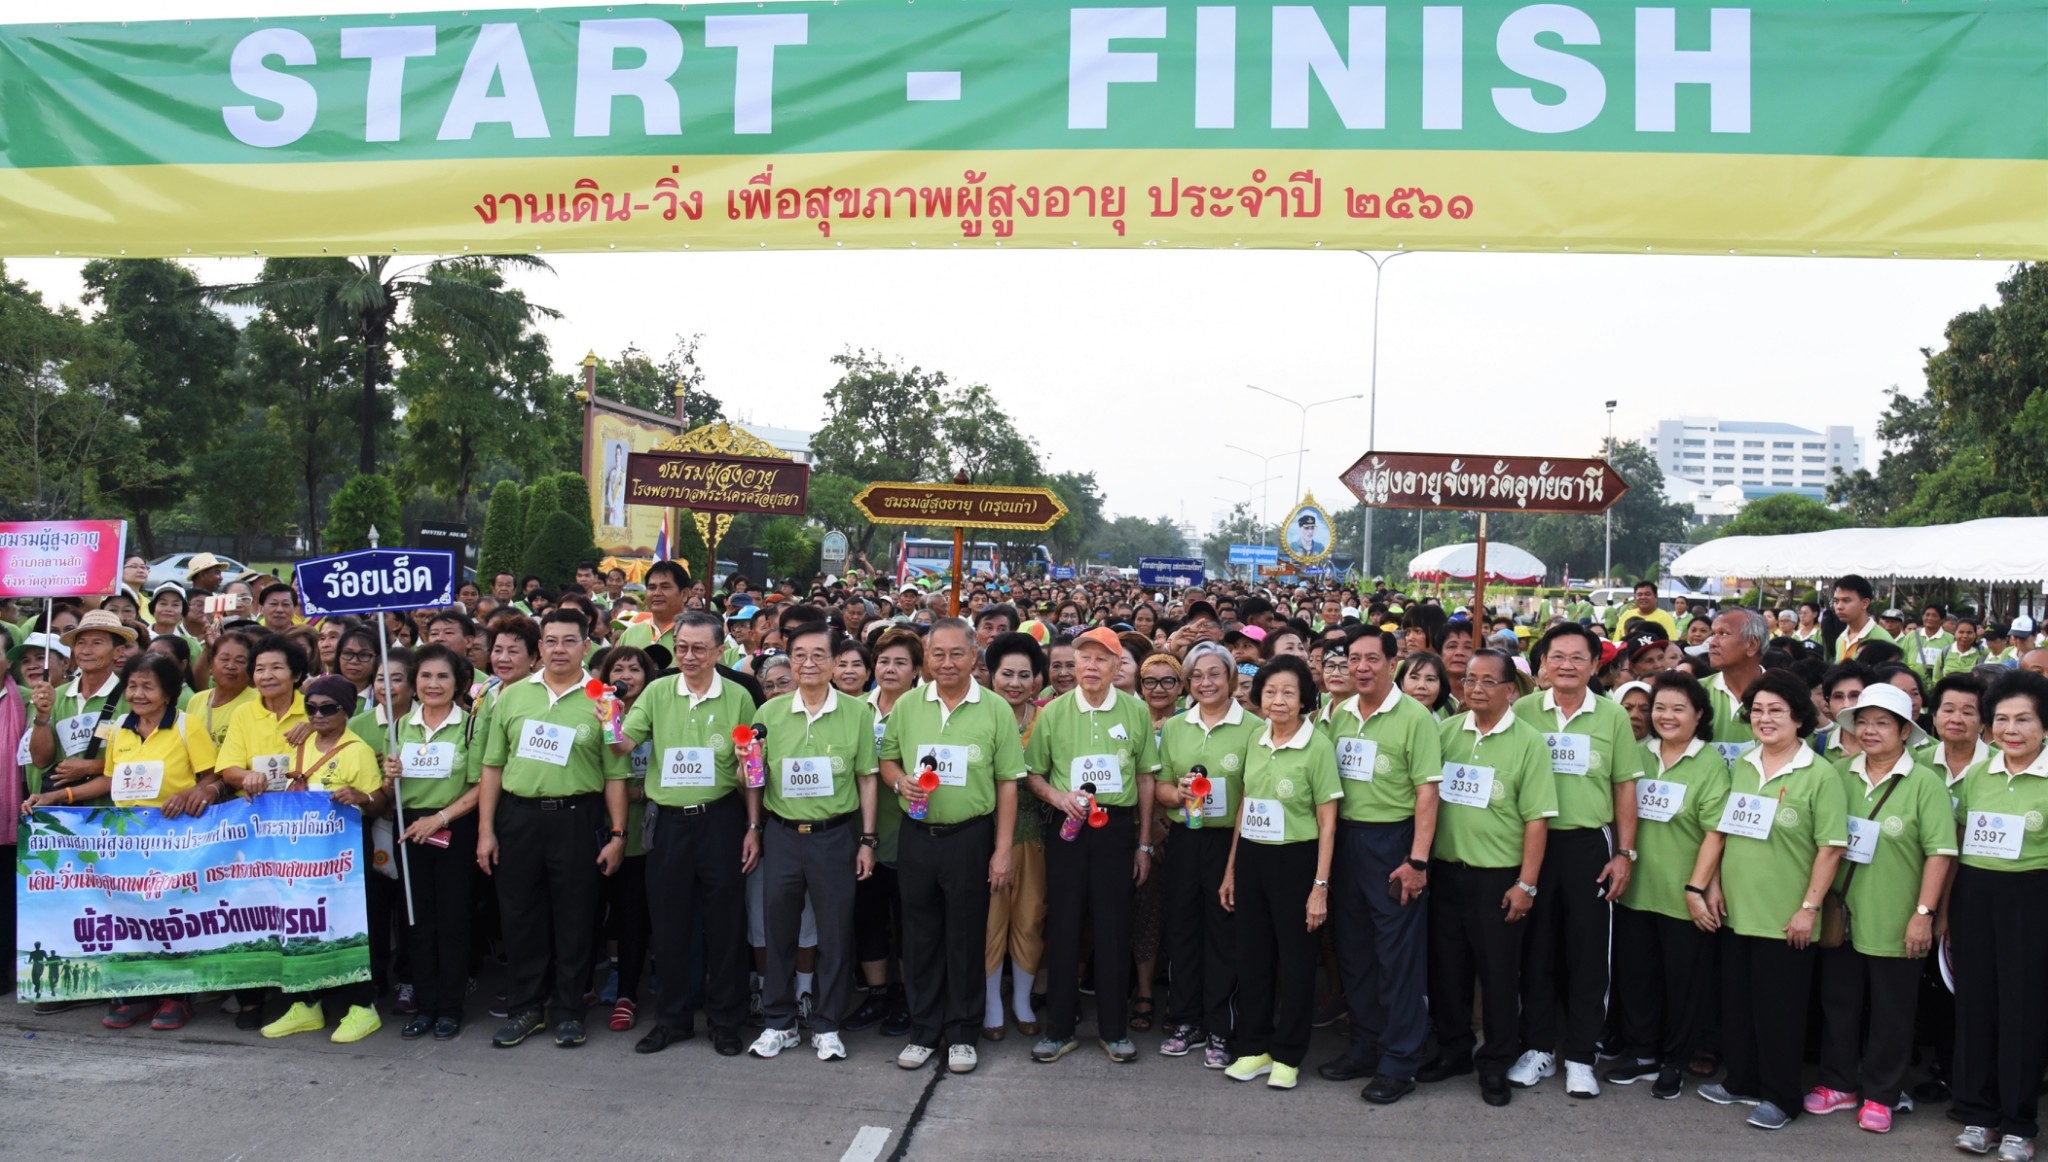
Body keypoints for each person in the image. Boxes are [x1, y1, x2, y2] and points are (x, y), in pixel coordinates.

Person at [22, 651, 225, 1030]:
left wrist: (192, 795)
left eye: (149, 686)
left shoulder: (187, 726)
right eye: (133, 685)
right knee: (131, 916)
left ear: (168, 693)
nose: (138, 693)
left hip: (176, 838)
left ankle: (176, 997)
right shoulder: (119, 728)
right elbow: (109, 781)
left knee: (171, 918)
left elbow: (213, 778)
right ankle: (135, 995)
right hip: (127, 840)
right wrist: (54, 797)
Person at [1697, 669, 1848, 1131]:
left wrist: (1809, 908)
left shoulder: (1819, 774)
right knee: (1738, 1003)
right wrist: (1714, 884)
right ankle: (1741, 1080)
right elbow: (1725, 831)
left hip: (1786, 914)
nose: (1764, 718)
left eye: (1776, 710)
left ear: (1799, 717)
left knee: (1779, 1011)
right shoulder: (1741, 762)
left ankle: (1782, 1097)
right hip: (1736, 907)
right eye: (1757, 709)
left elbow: (1831, 847)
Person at [1801, 683, 1953, 1133]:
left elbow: (1940, 853)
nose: (1870, 730)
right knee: (1839, 1002)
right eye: (1863, 721)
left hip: (1897, 914)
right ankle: (1838, 1084)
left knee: (1892, 1010)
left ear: (1905, 731)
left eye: (1882, 723)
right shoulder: (1837, 772)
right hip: (1841, 913)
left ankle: (1884, 1094)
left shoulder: (1925, 783)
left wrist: (1923, 914)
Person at [477, 608, 630, 1050]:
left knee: (575, 918)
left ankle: (568, 1011)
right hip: (519, 818)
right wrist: (486, 830)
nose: (558, 649)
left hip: (577, 819)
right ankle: (527, 1008)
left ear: (587, 645)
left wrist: (618, 835)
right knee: (521, 917)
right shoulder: (511, 695)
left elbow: (615, 774)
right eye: (550, 641)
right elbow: (492, 766)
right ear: (539, 646)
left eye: (568, 641)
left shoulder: (603, 701)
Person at [617, 610, 761, 1059]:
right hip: (670, 821)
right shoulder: (659, 691)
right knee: (670, 922)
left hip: (720, 819)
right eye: (682, 647)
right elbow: (624, 743)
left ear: (720, 651)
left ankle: (725, 1021)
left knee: (725, 923)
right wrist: (607, 714)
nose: (689, 656)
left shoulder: (738, 696)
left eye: (700, 649)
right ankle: (673, 1019)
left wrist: (754, 826)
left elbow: (751, 771)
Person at [881, 619, 1024, 1074]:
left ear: (974, 655)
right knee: (919, 937)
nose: (947, 662)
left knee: (965, 937)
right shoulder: (907, 705)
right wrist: (900, 781)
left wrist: (1002, 850)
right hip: (918, 837)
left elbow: (1007, 784)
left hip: (971, 837)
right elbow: (887, 760)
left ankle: (962, 1033)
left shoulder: (996, 709)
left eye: (956, 653)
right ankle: (923, 1032)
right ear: (926, 657)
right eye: (937, 654)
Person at [1509, 623, 1644, 1098]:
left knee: (1589, 955)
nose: (1566, 665)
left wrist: (1624, 853)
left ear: (1594, 665)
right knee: (1536, 950)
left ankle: (1582, 1055)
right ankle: (1538, 1048)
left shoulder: (1610, 717)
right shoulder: (1523, 710)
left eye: (1578, 657)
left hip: (1590, 844)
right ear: (1542, 663)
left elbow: (1625, 786)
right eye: (1557, 656)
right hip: (1534, 846)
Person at [1418, 648, 1556, 1107]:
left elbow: (1538, 819)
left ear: (1511, 691)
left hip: (1499, 878)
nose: (1474, 689)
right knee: (1448, 970)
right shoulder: (1445, 732)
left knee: (1498, 975)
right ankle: (1454, 1051)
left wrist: (1527, 884)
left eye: (1487, 682)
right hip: (1447, 873)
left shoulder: (1529, 742)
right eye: (1469, 680)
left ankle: (1495, 1061)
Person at [1317, 628, 1443, 1104]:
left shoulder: (1415, 718)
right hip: (1346, 840)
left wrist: (1417, 860)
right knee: (1354, 950)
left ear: (1394, 663)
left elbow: (1427, 794)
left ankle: (1399, 1060)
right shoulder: (1340, 715)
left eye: (1373, 658)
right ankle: (1365, 1045)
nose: (1362, 667)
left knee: (1398, 957)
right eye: (1354, 659)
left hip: (1394, 844)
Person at [1024, 625, 1160, 1065]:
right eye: (1084, 658)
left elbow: (1145, 777)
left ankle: (1114, 1031)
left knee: (1113, 927)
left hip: (1117, 831)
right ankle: (1058, 1029)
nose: (1091, 666)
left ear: (1118, 665)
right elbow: (1033, 774)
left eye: (1102, 659)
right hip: (1069, 829)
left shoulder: (1135, 712)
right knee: (1063, 925)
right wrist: (1058, 798)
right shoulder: (1054, 712)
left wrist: (1143, 845)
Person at [747, 621, 878, 1063]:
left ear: (835, 660)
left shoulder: (858, 713)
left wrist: (868, 839)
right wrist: (754, 827)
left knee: (835, 936)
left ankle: (827, 1024)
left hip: (834, 837)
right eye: (799, 654)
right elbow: (754, 778)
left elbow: (866, 779)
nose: (808, 663)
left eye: (819, 655)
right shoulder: (769, 714)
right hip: (782, 833)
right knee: (778, 931)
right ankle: (778, 1022)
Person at [1604, 672, 1730, 1099]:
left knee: (1684, 983)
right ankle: (1642, 1053)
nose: (1666, 716)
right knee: (1637, 977)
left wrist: (1699, 888)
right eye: (1660, 708)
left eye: (1678, 709)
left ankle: (1674, 1061)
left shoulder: (1711, 763)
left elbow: (1716, 833)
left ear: (1699, 714)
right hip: (1637, 888)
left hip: (1683, 893)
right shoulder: (1637, 754)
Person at [1219, 654, 1341, 1090]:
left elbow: (1328, 822)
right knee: (1252, 957)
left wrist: (1319, 888)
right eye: (1270, 691)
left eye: (1288, 692)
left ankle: (1289, 1054)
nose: (1278, 700)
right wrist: (1232, 869)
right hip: (1253, 856)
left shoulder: (1318, 746)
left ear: (1305, 698)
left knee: (1295, 962)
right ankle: (1253, 1048)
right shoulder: (1255, 739)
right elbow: (1245, 806)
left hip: (1297, 859)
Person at [258, 674, 391, 1043]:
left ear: (346, 711)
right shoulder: (301, 745)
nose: (318, 715)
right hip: (302, 858)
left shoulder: (357, 750)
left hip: (345, 858)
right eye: (311, 707)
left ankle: (362, 1006)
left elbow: (378, 800)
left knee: (349, 927)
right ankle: (306, 1003)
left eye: (327, 708)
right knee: (303, 925)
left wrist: (361, 798)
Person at [1949, 671, 2048, 1159]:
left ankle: (2019, 1124)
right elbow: (1962, 834)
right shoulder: (1978, 773)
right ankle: (1978, 1115)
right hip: (1975, 895)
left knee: (2022, 1012)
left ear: (2044, 726)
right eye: (2002, 720)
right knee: (1976, 1007)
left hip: (2031, 900)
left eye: (2024, 719)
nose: (2011, 730)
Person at [1152, 641, 1256, 1067]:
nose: (1205, 682)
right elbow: (1159, 787)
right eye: (1197, 675)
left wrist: (1233, 863)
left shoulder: (1252, 728)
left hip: (1229, 842)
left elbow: (1252, 797)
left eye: (1215, 673)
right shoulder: (1176, 727)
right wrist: (1173, 794)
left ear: (1230, 679)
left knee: (1223, 933)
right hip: (1185, 838)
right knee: (1181, 929)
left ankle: (1218, 1027)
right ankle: (1186, 1020)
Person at [378, 643, 483, 1041]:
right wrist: (389, 777)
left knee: (453, 921)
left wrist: (437, 819)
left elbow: (479, 787)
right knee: (415, 923)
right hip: (408, 829)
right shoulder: (400, 726)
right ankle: (425, 1005)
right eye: (425, 676)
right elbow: (389, 792)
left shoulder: (471, 724)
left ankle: (450, 1009)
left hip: (453, 827)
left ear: (457, 682)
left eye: (442, 676)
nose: (433, 684)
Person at [848, 627, 920, 1037]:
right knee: (868, 915)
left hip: (908, 831)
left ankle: (909, 1000)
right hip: (860, 833)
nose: (890, 669)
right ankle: (877, 995)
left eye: (900, 662)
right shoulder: (855, 707)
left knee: (909, 920)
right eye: (884, 661)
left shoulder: (921, 711)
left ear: (916, 670)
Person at [980, 632, 1048, 1047]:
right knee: (990, 923)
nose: (1015, 683)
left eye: (1025, 675)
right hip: (983, 835)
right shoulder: (979, 715)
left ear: (1037, 680)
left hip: (1036, 834)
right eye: (1007, 674)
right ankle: (991, 1005)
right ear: (992, 676)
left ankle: (1022, 1003)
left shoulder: (1047, 718)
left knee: (1030, 917)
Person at [26, 610, 133, 801]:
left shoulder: (132, 696)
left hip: (113, 813)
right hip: (63, 813)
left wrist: (92, 767)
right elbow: (41, 760)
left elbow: (141, 759)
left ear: (118, 651)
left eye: (97, 643)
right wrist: (42, 717)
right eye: (81, 643)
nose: (86, 651)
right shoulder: (55, 695)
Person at [1831, 575, 1892, 663]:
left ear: (1865, 603)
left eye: (1846, 600)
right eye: (1836, 601)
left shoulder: (1882, 639)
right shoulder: (1841, 639)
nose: (1839, 607)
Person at [1396, 651, 1452, 719]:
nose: (1421, 686)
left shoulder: (1443, 727)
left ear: (1441, 686)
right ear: (1402, 683)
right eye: (1414, 677)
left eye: (1430, 679)